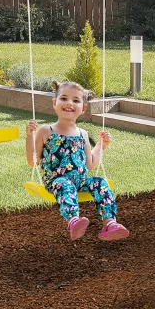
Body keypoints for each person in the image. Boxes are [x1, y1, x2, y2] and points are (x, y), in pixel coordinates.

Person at [26, 80, 129, 241]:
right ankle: (73, 220)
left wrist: (102, 145)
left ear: (83, 108)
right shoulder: (46, 131)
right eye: (64, 98)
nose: (69, 103)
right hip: (56, 180)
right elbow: (33, 161)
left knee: (101, 183)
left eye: (76, 100)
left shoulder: (83, 134)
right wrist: (29, 136)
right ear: (55, 103)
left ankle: (110, 223)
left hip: (81, 181)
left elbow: (89, 164)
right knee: (65, 185)